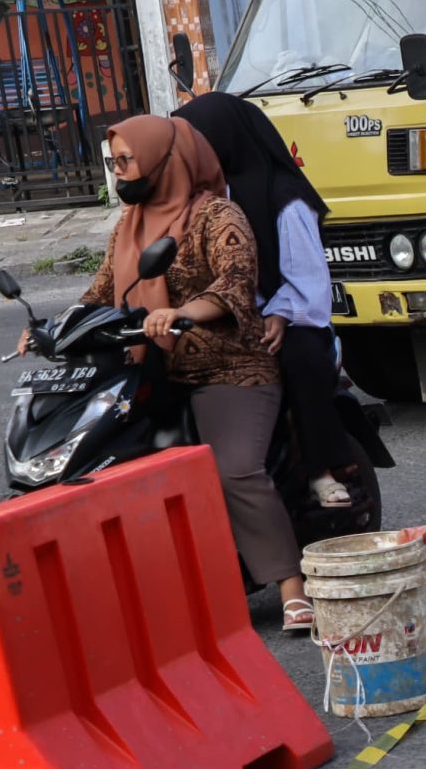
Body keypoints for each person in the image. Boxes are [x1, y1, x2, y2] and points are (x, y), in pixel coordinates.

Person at [45, 116, 306, 630]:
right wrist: (52, 329)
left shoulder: (217, 216)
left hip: (227, 367)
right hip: (151, 367)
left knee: (234, 468)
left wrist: (184, 312)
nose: (120, 172)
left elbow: (236, 283)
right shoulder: (129, 226)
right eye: (113, 162)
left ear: (166, 161)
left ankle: (292, 587)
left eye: (127, 160)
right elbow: (99, 295)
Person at [178, 90, 358, 513]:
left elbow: (309, 282)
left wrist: (279, 312)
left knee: (296, 355)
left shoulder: (286, 200)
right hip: (227, 313)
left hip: (294, 319)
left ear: (222, 141)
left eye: (195, 142)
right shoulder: (203, 198)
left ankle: (319, 469)